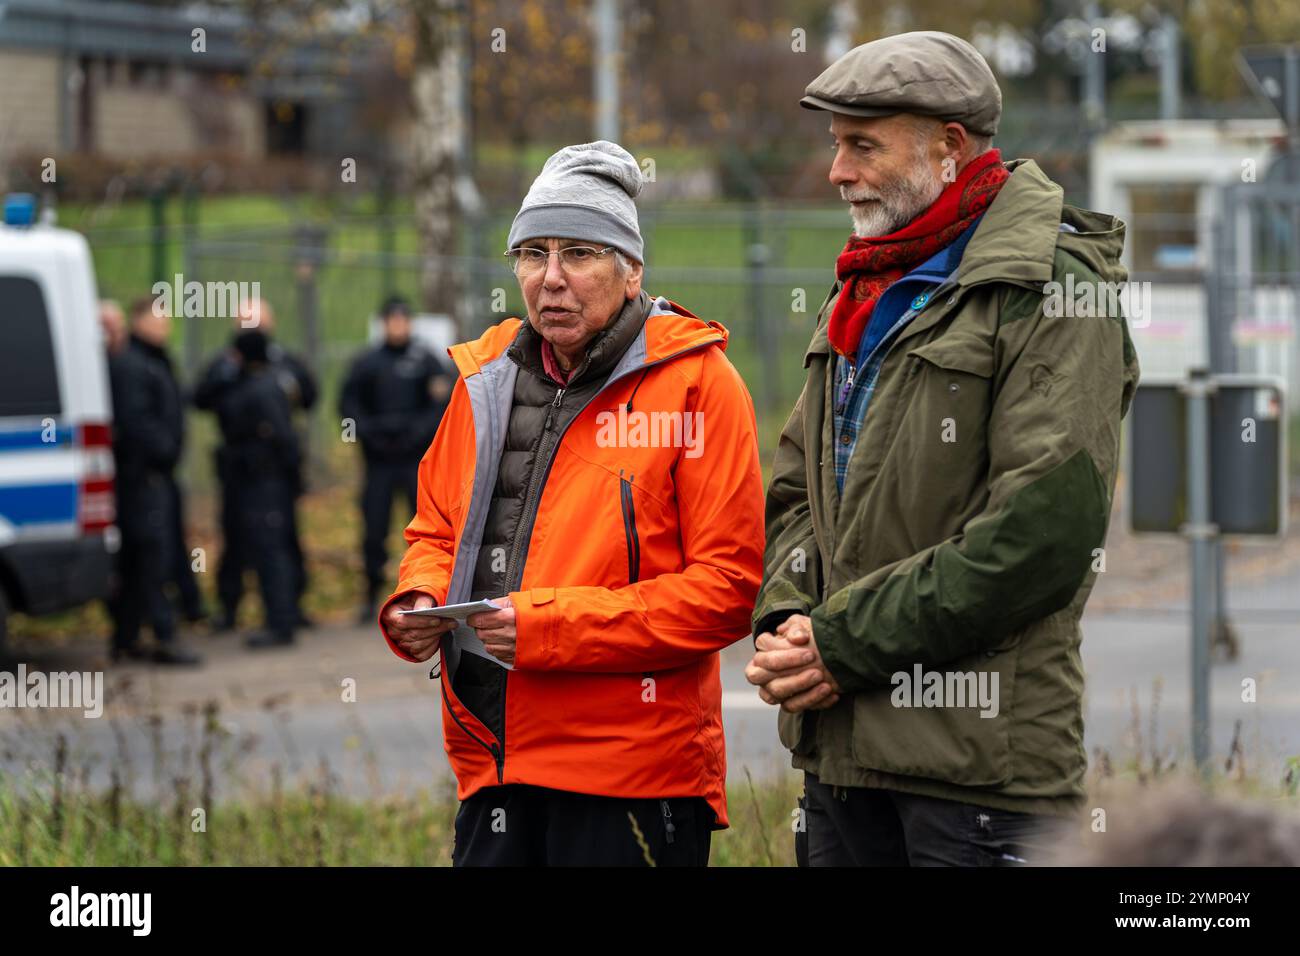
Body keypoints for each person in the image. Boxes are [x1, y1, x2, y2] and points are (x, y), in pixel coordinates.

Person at [747, 31, 1141, 867]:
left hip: (978, 782)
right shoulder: (869, 282)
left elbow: (1043, 533)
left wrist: (839, 645)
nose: (837, 172)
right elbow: (796, 490)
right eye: (836, 146)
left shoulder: (1051, 286)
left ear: (949, 148)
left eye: (862, 146)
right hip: (843, 762)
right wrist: (789, 619)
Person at [378, 141, 765, 866]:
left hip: (630, 778)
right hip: (491, 766)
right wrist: (419, 597)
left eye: (579, 253)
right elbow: (436, 526)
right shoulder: (483, 375)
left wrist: (552, 630)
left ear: (631, 271)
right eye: (531, 253)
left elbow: (726, 593)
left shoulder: (699, 385)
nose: (550, 279)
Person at [193, 300, 316, 634]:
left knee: (279, 542)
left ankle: (287, 611)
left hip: (272, 474)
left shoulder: (282, 365)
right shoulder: (225, 365)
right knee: (237, 542)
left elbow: (307, 397)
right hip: (238, 474)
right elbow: (199, 397)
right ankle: (231, 607)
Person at [339, 296, 454, 624]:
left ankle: (422, 592)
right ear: (384, 323)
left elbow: (442, 407)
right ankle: (370, 595)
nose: (398, 326)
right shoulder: (367, 363)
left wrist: (415, 434)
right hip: (378, 463)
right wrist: (372, 434)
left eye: (404, 320)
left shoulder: (426, 360)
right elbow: (348, 406)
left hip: (415, 462)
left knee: (423, 531)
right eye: (393, 320)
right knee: (374, 528)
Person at [107, 297, 202, 666]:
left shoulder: (155, 361)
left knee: (141, 559)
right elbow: (136, 423)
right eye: (159, 318)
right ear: (138, 320)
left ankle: (126, 638)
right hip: (142, 478)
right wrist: (163, 450)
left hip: (158, 477)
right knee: (150, 557)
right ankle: (163, 635)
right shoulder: (132, 365)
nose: (166, 325)